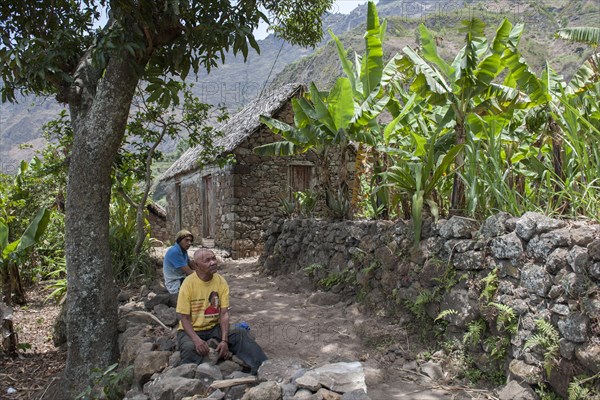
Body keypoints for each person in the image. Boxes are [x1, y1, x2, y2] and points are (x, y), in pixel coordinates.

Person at [176, 249, 267, 374]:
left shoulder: (221, 281)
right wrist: (196, 340)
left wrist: (224, 341)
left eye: (214, 258)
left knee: (240, 334)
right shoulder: (188, 284)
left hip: (214, 327)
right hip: (191, 330)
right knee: (190, 348)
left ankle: (264, 368)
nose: (213, 262)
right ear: (196, 265)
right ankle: (190, 380)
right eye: (207, 260)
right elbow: (184, 318)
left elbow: (224, 314)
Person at [163, 230, 195, 297]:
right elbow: (189, 272)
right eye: (186, 240)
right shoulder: (174, 252)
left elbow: (191, 265)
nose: (189, 243)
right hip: (175, 284)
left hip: (181, 279)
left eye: (190, 241)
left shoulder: (183, 250)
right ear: (179, 240)